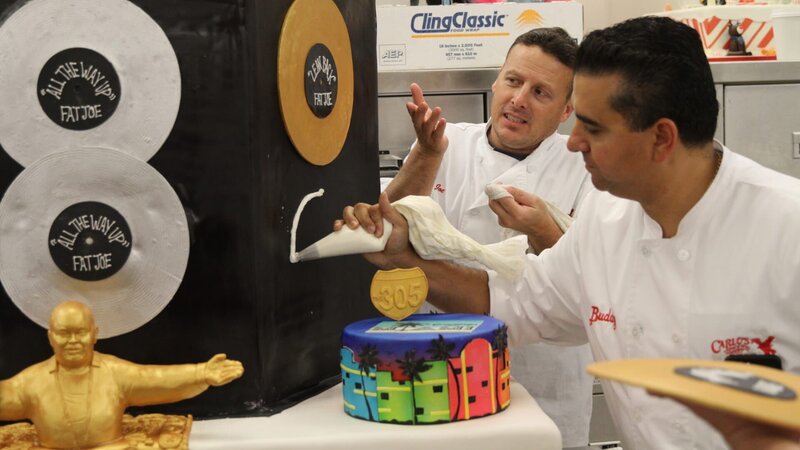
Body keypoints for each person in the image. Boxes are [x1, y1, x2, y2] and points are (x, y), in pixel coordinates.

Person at [340, 16, 800, 449]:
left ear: (661, 139)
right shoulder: (606, 219)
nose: (574, 142)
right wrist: (408, 258)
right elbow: (513, 301)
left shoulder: (786, 225)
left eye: (593, 127)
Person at [382, 27, 593, 446]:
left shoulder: (585, 168)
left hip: (538, 382)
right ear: (496, 81)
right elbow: (389, 232)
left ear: (566, 109)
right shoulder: (447, 143)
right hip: (433, 372)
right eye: (514, 81)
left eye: (541, 92)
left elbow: (588, 285)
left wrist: (542, 230)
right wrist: (425, 154)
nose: (519, 99)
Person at [0, 300, 244, 450]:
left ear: (94, 334)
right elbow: (5, 396)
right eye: (64, 333)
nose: (73, 341)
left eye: (81, 332)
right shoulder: (31, 381)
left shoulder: (115, 372)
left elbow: (156, 379)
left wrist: (202, 373)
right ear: (51, 337)